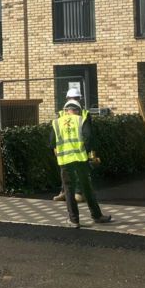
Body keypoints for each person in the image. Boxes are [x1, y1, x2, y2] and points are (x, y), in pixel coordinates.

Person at [50, 98, 112, 228]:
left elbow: (51, 143)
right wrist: (87, 153)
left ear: (65, 110)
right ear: (78, 110)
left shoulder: (57, 123)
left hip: (65, 162)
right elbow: (88, 137)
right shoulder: (81, 120)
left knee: (68, 190)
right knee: (87, 187)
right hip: (80, 160)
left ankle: (74, 220)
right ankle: (97, 216)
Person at [53, 87, 87, 203]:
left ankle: (78, 193)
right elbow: (55, 131)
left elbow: (89, 133)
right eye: (73, 98)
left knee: (77, 173)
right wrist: (54, 146)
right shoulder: (61, 114)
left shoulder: (84, 114)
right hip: (65, 150)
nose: (74, 100)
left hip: (78, 150)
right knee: (65, 173)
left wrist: (90, 148)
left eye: (76, 98)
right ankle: (64, 193)